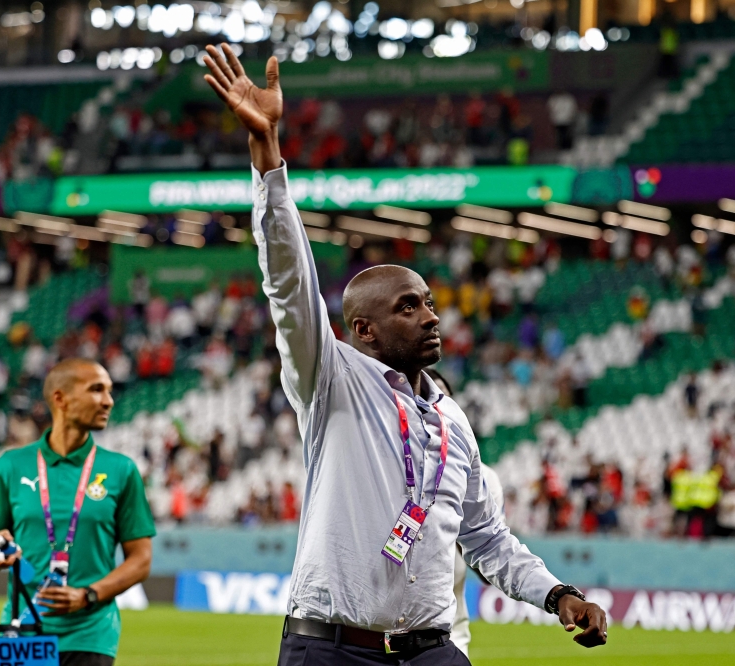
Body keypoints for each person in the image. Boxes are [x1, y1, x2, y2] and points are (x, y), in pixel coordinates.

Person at [201, 44, 607, 666]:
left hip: (430, 650)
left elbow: (485, 537)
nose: (431, 316)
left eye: (429, 302)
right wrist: (269, 156)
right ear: (361, 329)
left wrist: (557, 595)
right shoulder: (332, 378)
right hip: (333, 648)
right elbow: (289, 285)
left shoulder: (454, 422)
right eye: (408, 307)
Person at [0, 359, 156, 666]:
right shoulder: (10, 466)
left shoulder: (121, 471)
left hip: (91, 635)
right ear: (60, 399)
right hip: (20, 635)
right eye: (96, 390)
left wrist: (88, 594)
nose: (108, 401)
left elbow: (141, 560)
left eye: (110, 391)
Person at [426, 368, 503, 659]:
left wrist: (461, 530)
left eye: (440, 399)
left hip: (450, 641)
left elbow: (491, 566)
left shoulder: (484, 480)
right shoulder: (389, 469)